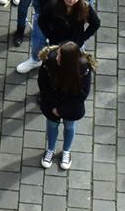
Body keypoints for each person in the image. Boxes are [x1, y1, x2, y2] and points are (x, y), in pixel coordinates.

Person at [36, 41, 96, 170]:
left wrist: (62, 110)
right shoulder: (50, 61)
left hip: (71, 106)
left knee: (69, 126)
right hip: (52, 103)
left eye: (60, 56)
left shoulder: (83, 68)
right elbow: (43, 83)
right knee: (52, 125)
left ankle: (66, 151)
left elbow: (82, 94)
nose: (56, 57)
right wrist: (53, 106)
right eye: (57, 54)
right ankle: (50, 149)